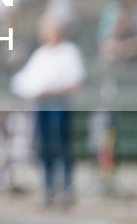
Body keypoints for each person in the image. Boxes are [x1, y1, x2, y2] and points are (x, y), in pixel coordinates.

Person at [11, 18, 86, 208]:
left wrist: (53, 90)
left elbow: (75, 82)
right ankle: (48, 188)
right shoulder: (41, 55)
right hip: (41, 104)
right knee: (44, 148)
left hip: (58, 103)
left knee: (61, 146)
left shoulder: (69, 52)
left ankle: (66, 189)